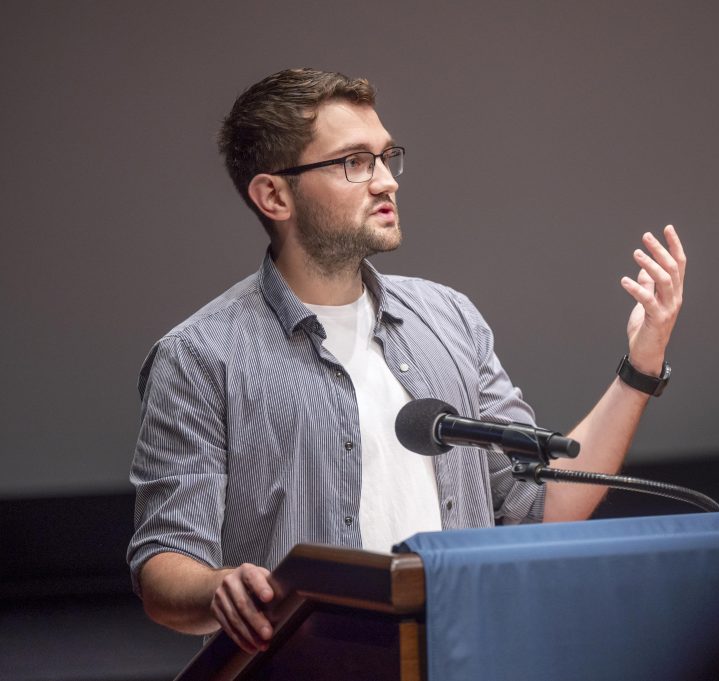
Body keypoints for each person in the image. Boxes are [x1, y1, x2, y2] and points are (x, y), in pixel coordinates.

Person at [127, 68, 687, 653]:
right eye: (354, 162)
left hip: (464, 658)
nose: (386, 181)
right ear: (274, 195)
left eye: (386, 156)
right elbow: (163, 566)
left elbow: (541, 505)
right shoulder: (200, 355)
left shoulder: (448, 319)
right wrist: (218, 586)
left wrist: (640, 365)